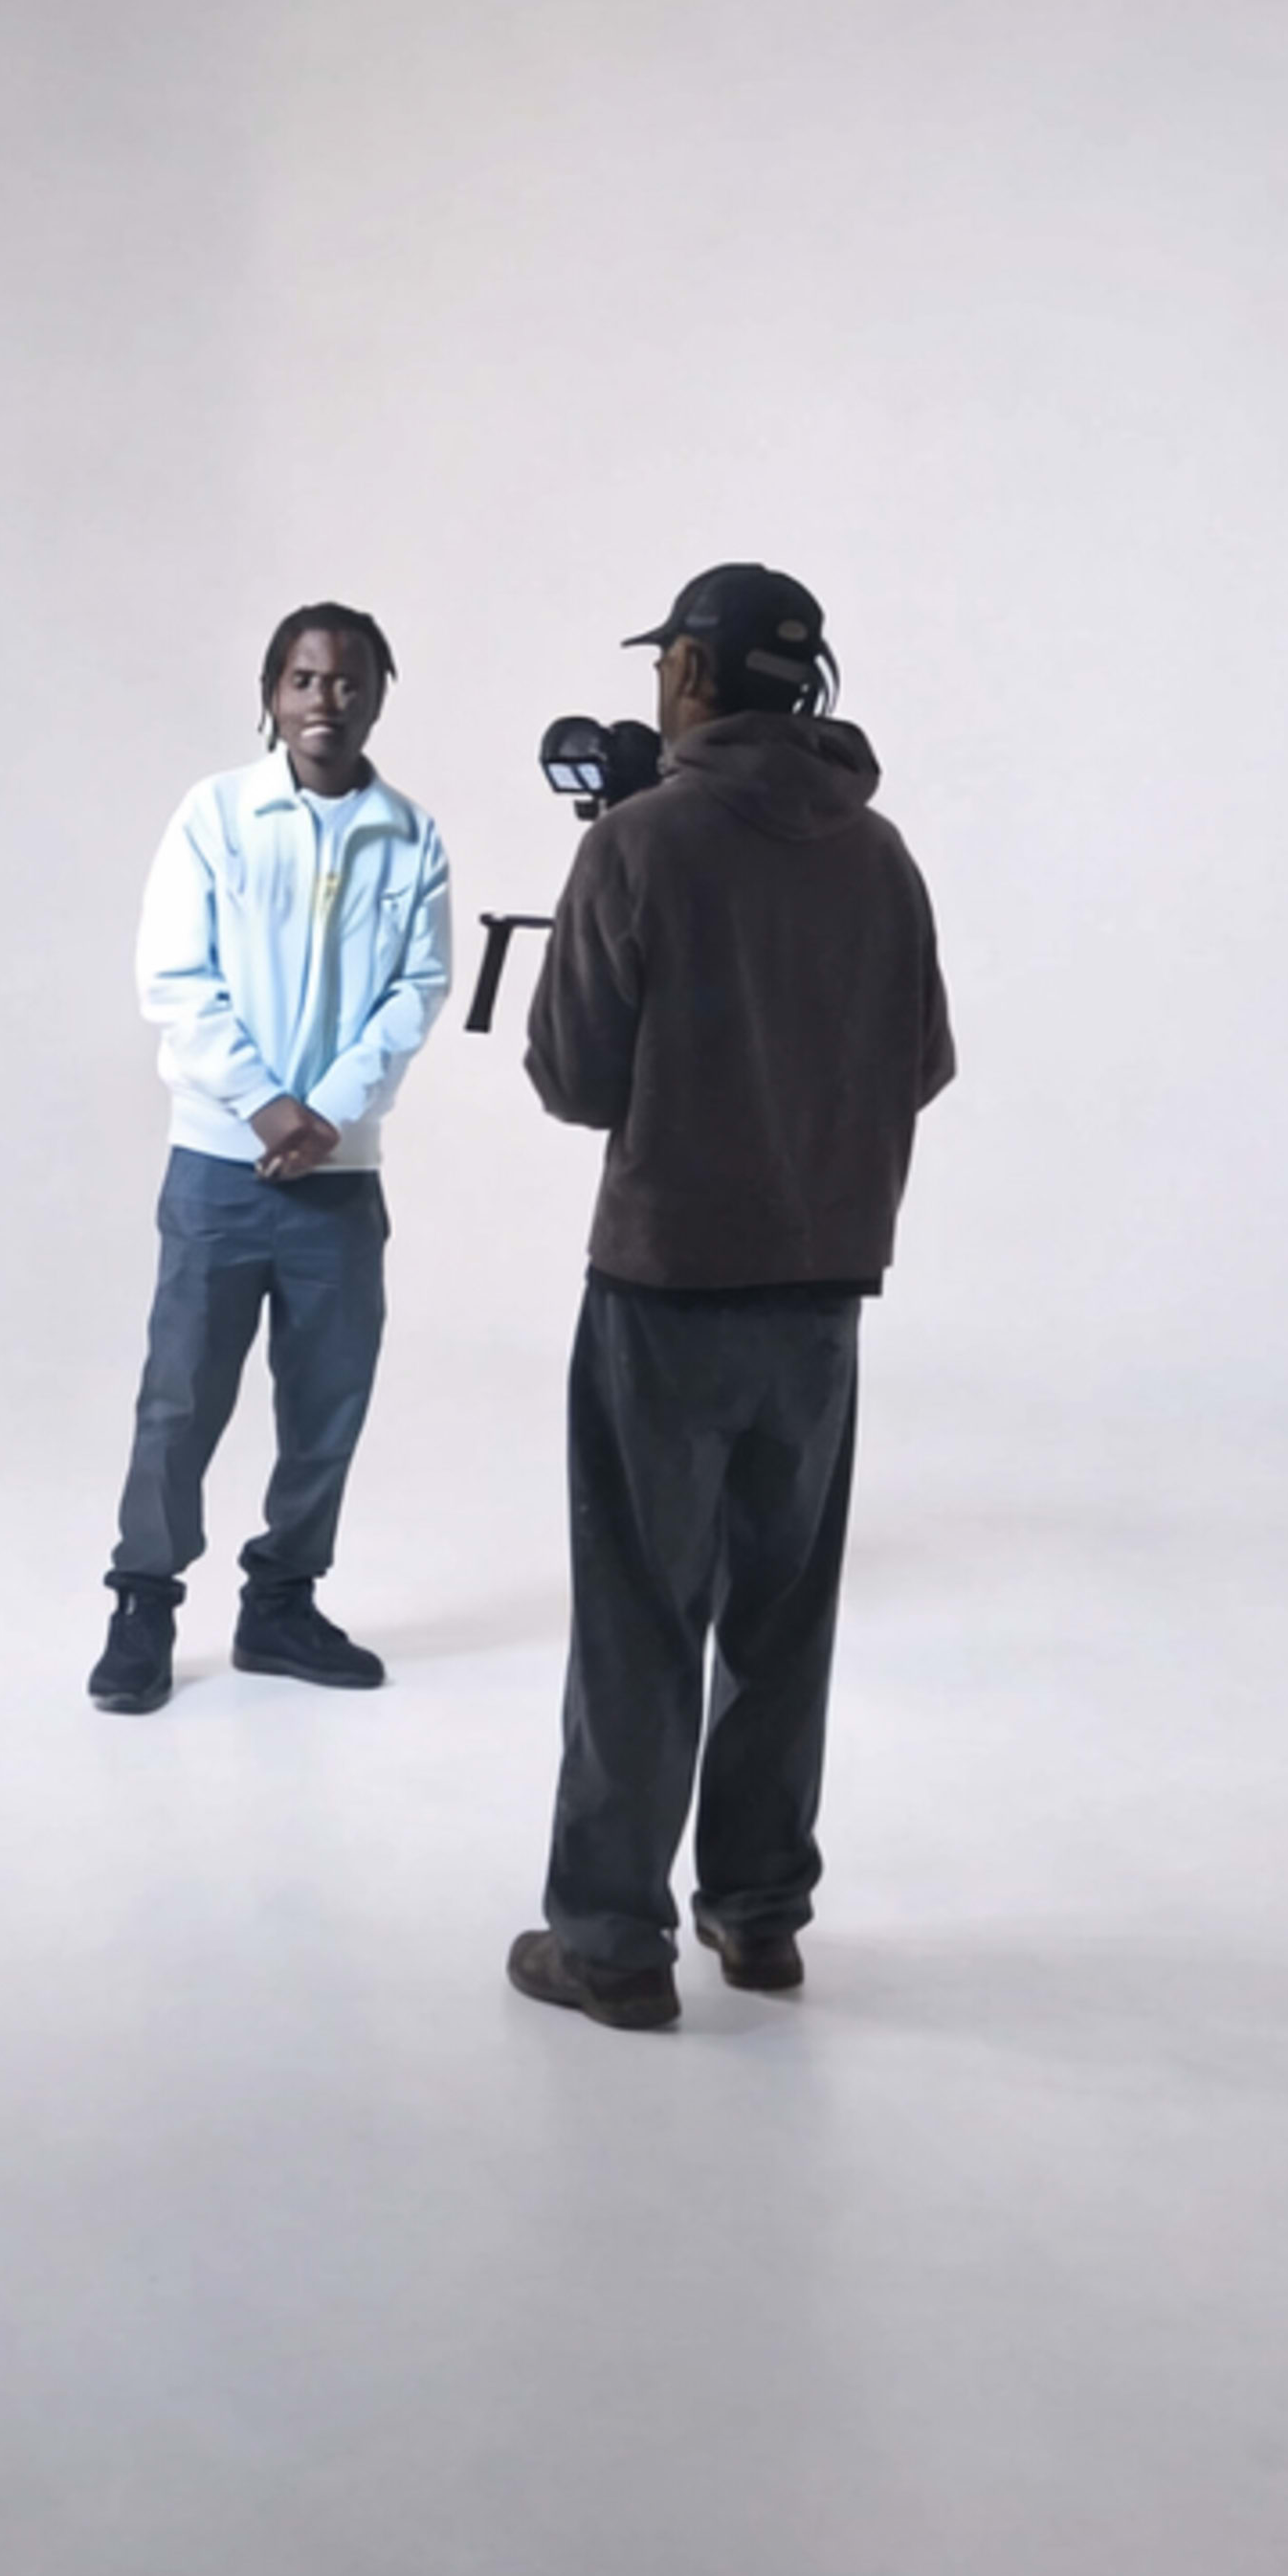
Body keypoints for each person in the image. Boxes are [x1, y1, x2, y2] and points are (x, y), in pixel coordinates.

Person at [510, 561, 952, 2028]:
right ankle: (760, 1919)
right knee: (783, 1611)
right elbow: (923, 1066)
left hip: (666, 1283)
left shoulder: (642, 842)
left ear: (691, 675)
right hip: (825, 1290)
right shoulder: (882, 856)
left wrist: (610, 876)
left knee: (642, 1610)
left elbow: (573, 1079)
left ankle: (613, 1945)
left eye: (665, 666)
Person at [91, 604, 453, 1713]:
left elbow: (417, 992)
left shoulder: (412, 836)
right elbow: (176, 979)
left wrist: (328, 1115)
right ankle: (144, 1603)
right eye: (303, 679)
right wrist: (261, 1106)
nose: (324, 701)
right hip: (218, 1169)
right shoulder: (215, 817)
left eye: (347, 682)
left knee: (328, 1398)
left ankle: (283, 1603)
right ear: (270, 693)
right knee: (180, 1399)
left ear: (381, 694)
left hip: (339, 1179)